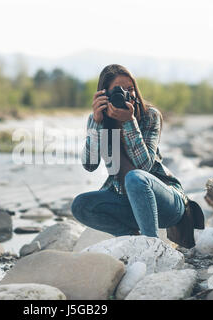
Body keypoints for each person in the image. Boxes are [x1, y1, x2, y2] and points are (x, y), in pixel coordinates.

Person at [71, 64, 190, 239]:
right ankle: (131, 238)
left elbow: (145, 167)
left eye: (130, 89)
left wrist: (129, 122)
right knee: (80, 205)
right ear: (104, 95)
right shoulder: (97, 119)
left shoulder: (150, 116)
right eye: (118, 90)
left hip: (166, 203)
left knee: (134, 177)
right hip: (128, 203)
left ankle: (151, 245)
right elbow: (89, 165)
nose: (127, 94)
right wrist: (96, 123)